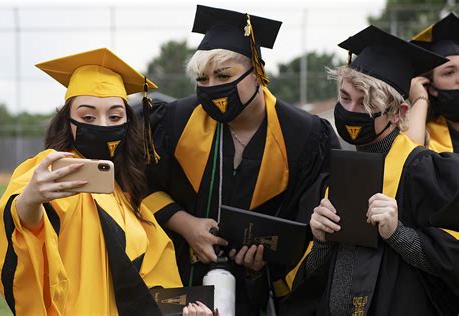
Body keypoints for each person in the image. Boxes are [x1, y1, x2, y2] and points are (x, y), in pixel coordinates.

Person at [143, 4, 340, 315]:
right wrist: (186, 225)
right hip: (180, 283)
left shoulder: (303, 136)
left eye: (223, 75)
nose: (211, 88)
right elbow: (138, 184)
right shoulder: (175, 122)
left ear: (258, 73)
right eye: (202, 78)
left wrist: (261, 263)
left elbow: (310, 220)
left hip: (262, 293)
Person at [0, 48, 213, 316]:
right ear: (68, 121)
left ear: (128, 123)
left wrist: (185, 311)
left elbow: (154, 283)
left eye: (115, 117)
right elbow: (24, 226)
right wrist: (30, 201)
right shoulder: (52, 171)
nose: (103, 125)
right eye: (88, 117)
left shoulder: (128, 198)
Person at [279, 26, 459, 315]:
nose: (351, 111)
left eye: (367, 103)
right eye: (346, 98)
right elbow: (305, 284)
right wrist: (322, 241)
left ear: (399, 113)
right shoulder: (332, 176)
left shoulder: (425, 172)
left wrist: (399, 234)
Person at [407, 12, 459, 152]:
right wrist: (420, 99)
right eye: (449, 72)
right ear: (431, 87)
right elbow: (407, 159)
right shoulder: (423, 134)